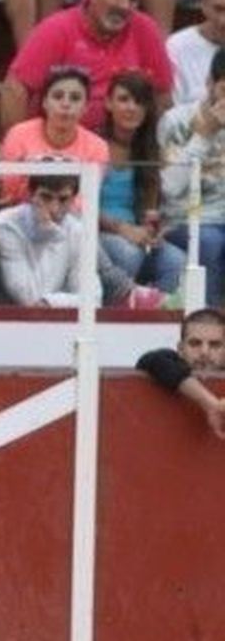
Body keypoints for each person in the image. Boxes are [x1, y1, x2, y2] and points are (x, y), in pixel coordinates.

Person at [0, 0, 172, 133]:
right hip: (62, 148)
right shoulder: (57, 28)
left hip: (124, 149)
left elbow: (162, 96)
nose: (125, 6)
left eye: (133, 0)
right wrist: (18, 148)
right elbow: (15, 89)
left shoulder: (145, 28)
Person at [99, 70, 185, 296]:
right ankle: (115, 316)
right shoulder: (94, 145)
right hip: (100, 231)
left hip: (136, 232)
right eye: (124, 99)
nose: (131, 107)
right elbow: (82, 206)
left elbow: (151, 207)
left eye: (139, 101)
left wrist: (152, 231)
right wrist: (123, 229)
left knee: (176, 261)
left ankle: (154, 313)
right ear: (108, 103)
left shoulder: (150, 149)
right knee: (128, 254)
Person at [158, 49, 225, 307]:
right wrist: (204, 135)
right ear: (209, 82)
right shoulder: (176, 120)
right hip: (185, 218)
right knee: (210, 241)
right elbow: (171, 186)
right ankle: (209, 322)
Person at [0, 65, 108, 207]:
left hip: (71, 222)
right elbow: (8, 191)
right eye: (58, 96)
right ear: (45, 103)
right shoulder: (18, 134)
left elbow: (84, 200)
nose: (66, 104)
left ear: (85, 107)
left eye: (75, 98)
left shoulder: (98, 147)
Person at [0, 171, 85, 307]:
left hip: (60, 323)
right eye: (46, 197)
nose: (54, 208)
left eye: (63, 199)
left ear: (73, 199)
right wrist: (50, 234)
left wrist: (50, 302)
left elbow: (92, 298)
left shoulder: (77, 229)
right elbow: (28, 297)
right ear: (30, 195)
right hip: (7, 321)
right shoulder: (6, 224)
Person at [136, 308, 225, 438]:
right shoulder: (164, 360)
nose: (204, 352)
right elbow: (152, 359)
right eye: (195, 343)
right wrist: (210, 403)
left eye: (215, 345)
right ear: (181, 349)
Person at [168, 0, 225, 108]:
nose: (223, 21)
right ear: (203, 4)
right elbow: (173, 115)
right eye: (218, 9)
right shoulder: (177, 46)